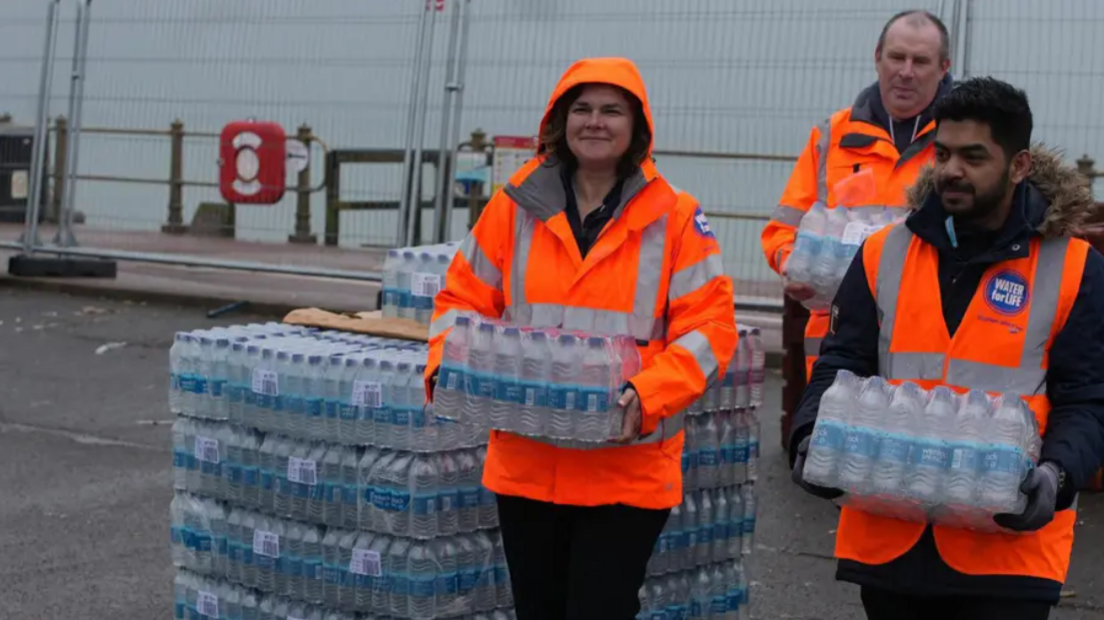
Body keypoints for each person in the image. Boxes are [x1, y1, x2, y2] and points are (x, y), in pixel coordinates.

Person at [423, 57, 738, 620]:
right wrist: (447, 367)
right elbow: (459, 300)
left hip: (625, 468)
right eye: (582, 109)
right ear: (559, 121)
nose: (595, 122)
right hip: (527, 464)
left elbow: (710, 329)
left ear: (637, 127)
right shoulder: (512, 207)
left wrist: (649, 394)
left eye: (611, 110)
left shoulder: (678, 218)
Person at [789, 76, 1104, 619]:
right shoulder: (883, 253)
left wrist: (1058, 474)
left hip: (1007, 549)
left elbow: (1088, 399)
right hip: (890, 531)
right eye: (943, 153)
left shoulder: (1073, 267)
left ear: (1020, 165)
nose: (951, 170)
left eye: (974, 156)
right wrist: (809, 432)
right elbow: (842, 363)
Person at [761, 9, 954, 387]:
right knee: (828, 441)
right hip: (837, 337)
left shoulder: (961, 141)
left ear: (944, 67)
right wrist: (793, 267)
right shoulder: (832, 136)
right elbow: (783, 228)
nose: (906, 71)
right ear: (877, 57)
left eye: (921, 61)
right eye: (897, 57)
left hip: (928, 342)